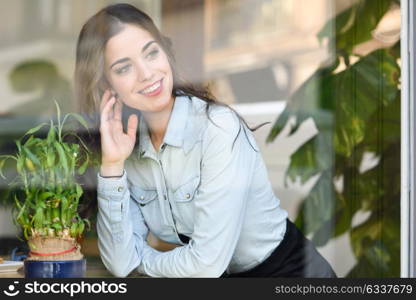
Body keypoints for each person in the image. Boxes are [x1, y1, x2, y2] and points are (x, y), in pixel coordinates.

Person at [74, 3, 337, 278]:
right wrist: (112, 166)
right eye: (124, 68)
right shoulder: (126, 146)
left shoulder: (216, 127)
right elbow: (119, 262)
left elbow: (205, 266)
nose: (147, 73)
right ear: (106, 85)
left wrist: (142, 261)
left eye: (151, 53)